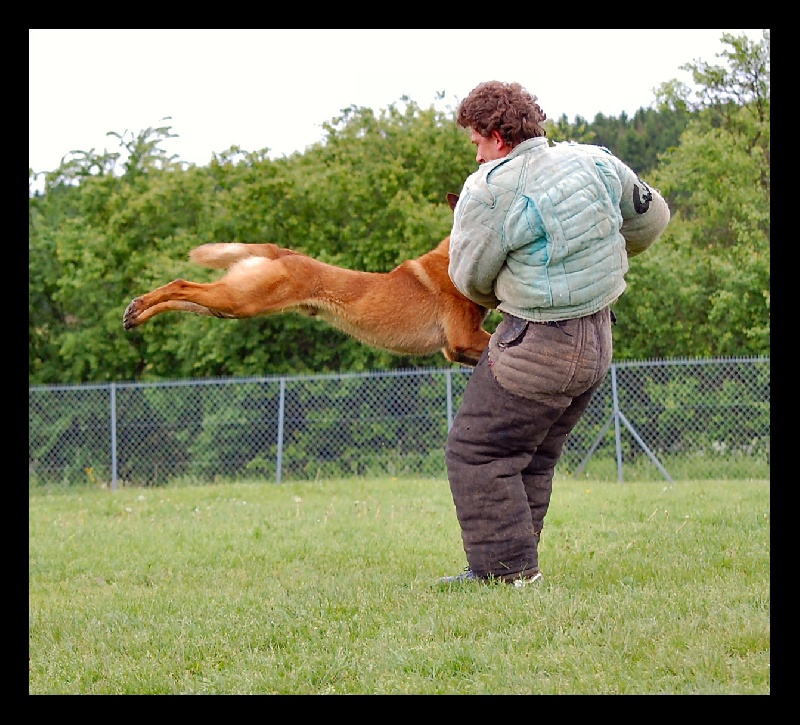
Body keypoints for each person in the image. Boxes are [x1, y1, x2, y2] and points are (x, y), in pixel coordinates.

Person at [440, 81, 670, 586]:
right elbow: (653, 219)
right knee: (532, 454)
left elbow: (469, 278)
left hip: (537, 342)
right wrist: (598, 257)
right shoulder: (595, 161)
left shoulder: (490, 188)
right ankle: (518, 568)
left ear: (498, 137)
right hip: (597, 338)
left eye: (477, 142)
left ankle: (504, 574)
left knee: (477, 450)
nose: (476, 154)